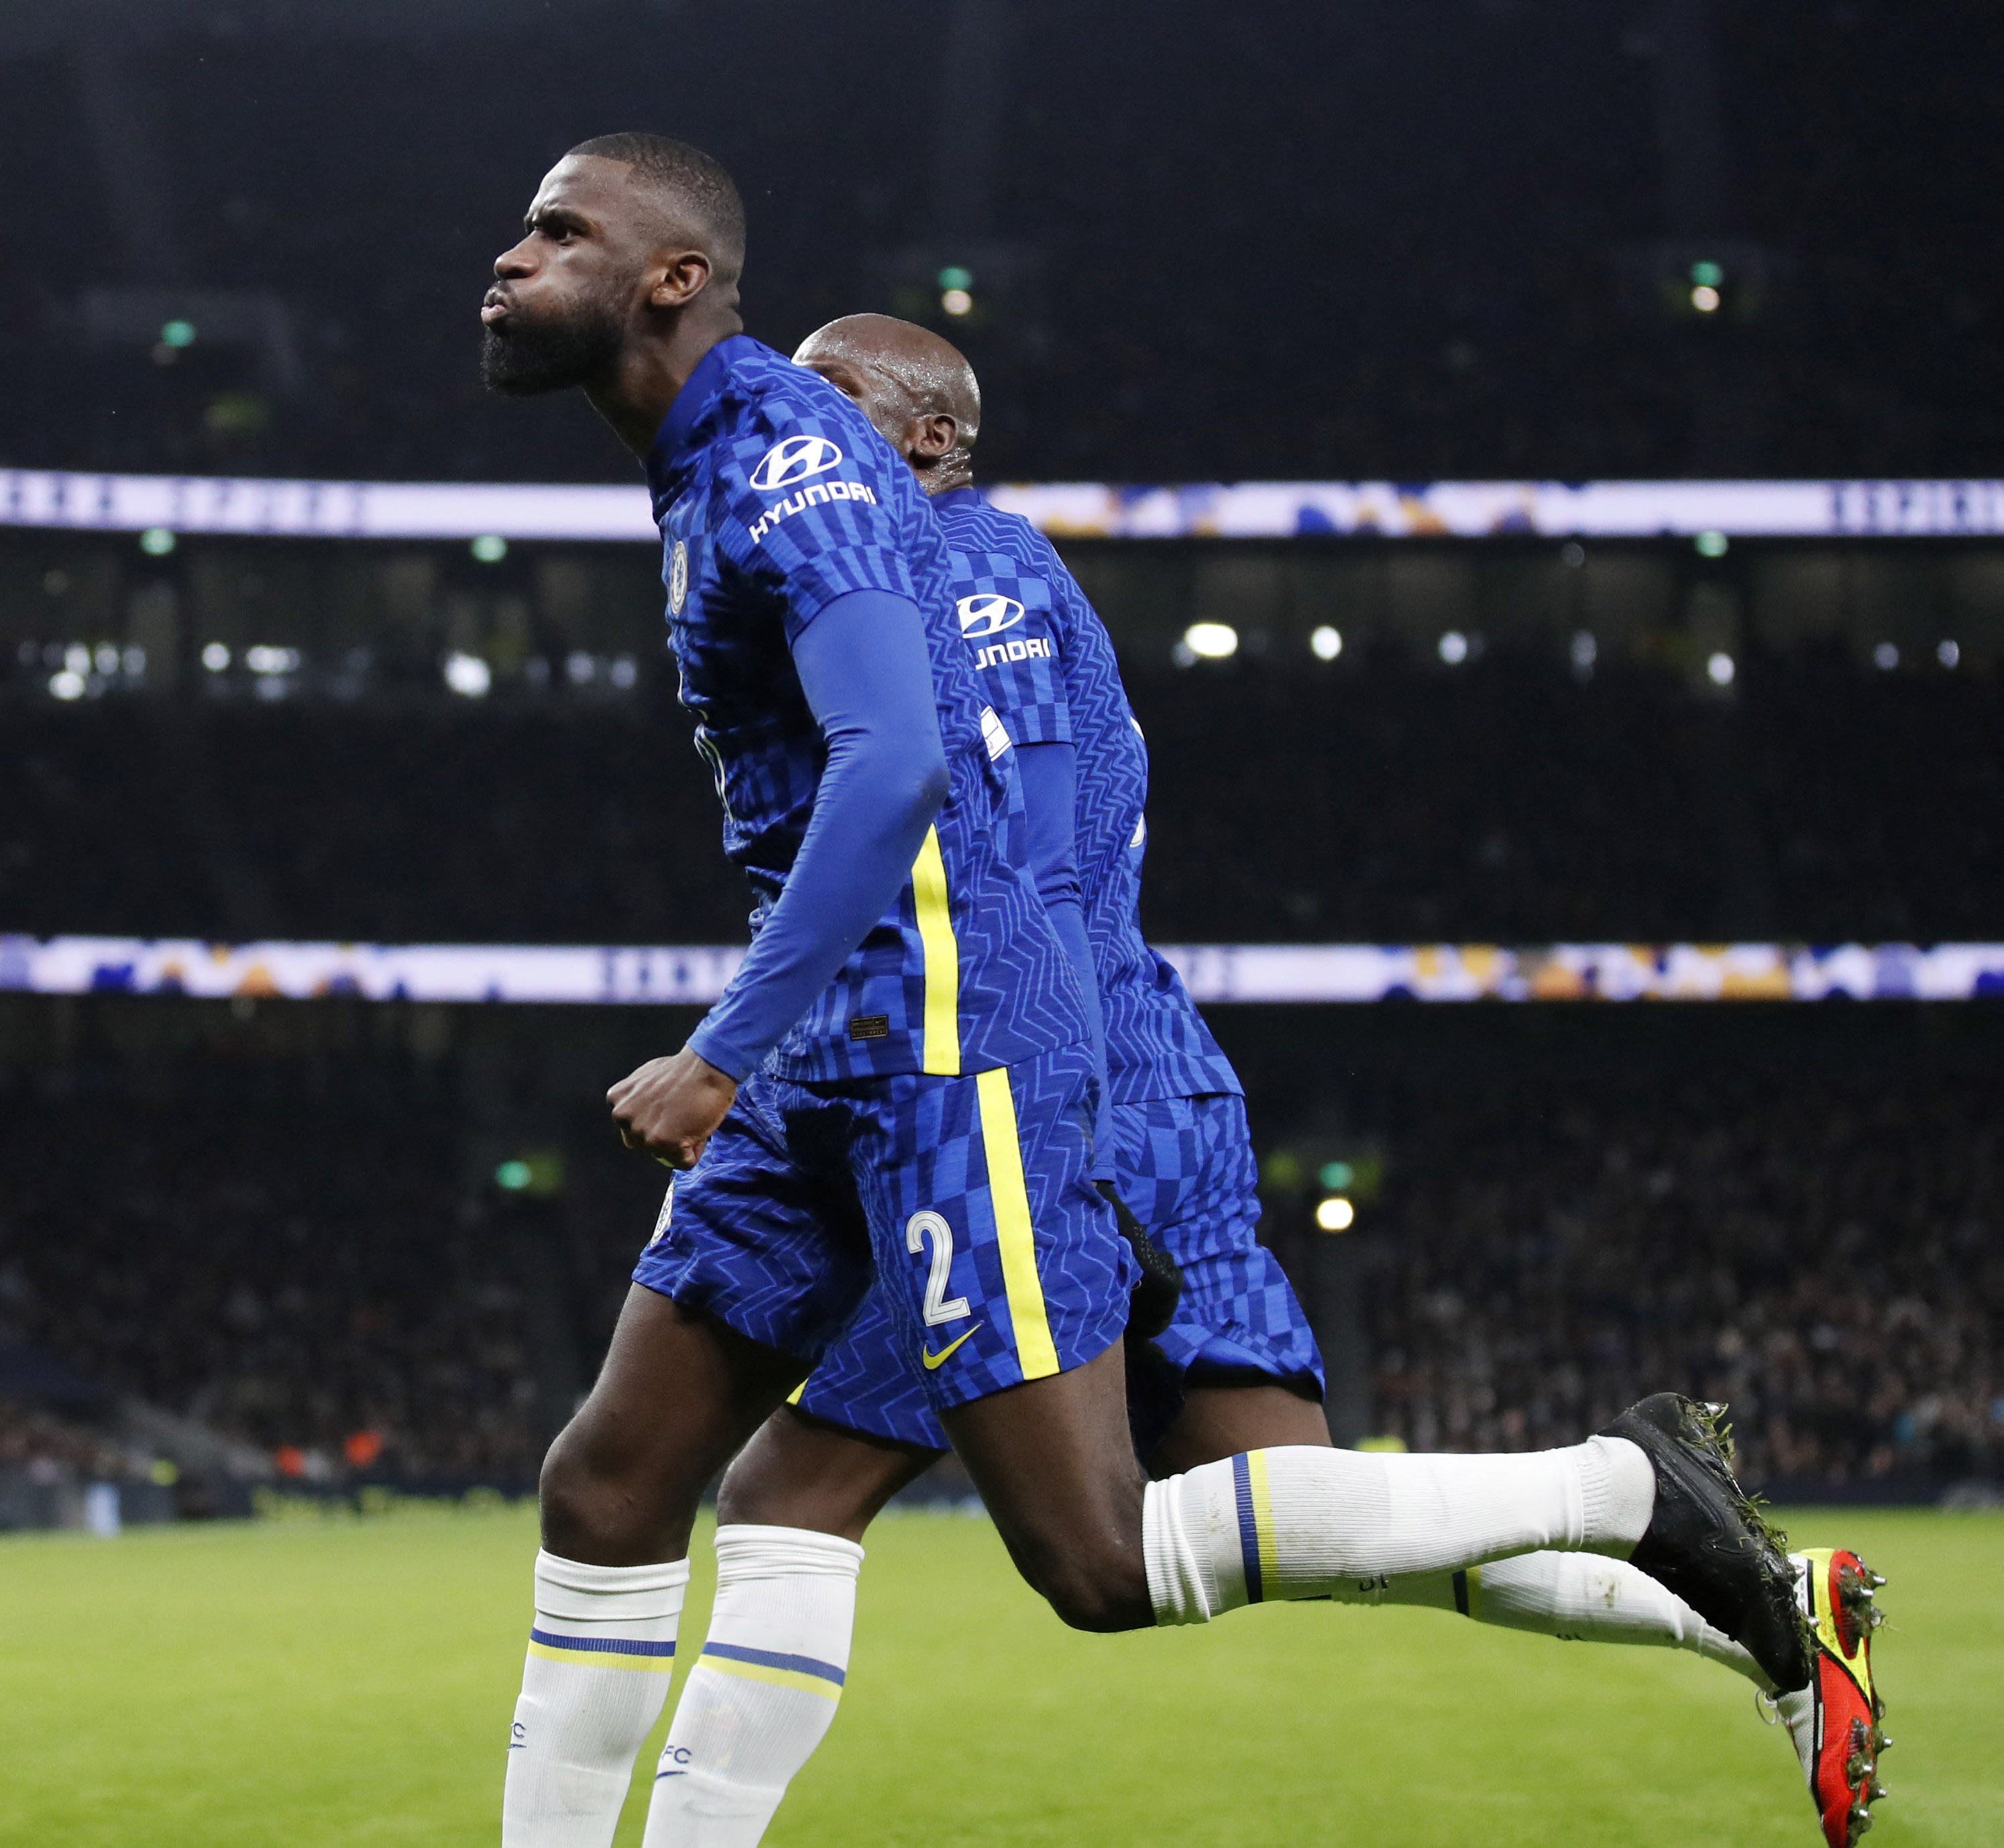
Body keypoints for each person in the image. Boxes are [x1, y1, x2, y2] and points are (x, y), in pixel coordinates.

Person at [476, 133, 1806, 1848]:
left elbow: (919, 795)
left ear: (674, 277)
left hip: (971, 1049)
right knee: (618, 1482)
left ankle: (1625, 1485)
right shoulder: (740, 464)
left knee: (1104, 1554)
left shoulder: (849, 498)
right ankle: (1729, 1585)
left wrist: (727, 1046)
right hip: (881, 1036)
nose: (510, 259)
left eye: (558, 228)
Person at [710, 312, 1888, 1848]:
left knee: (799, 1499)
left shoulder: (948, 577)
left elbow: (1004, 879)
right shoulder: (989, 572)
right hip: (1135, 1075)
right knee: (1320, 1515)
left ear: (932, 437)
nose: (792, 430)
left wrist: (1026, 1117)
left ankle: (1625, 1479)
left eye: (831, 399)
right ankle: (1774, 1611)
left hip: (1039, 1094)